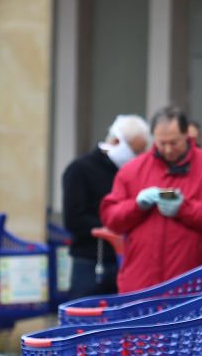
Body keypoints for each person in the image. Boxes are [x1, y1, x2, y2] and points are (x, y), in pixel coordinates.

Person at [102, 106, 202, 292]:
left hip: (194, 286)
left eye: (174, 143)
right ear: (153, 138)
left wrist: (185, 209)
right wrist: (136, 205)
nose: (168, 149)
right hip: (140, 286)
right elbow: (111, 217)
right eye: (161, 143)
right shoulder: (132, 171)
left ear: (187, 135)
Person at [60, 114, 149, 299]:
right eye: (135, 151)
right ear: (116, 141)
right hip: (90, 261)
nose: (137, 158)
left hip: (125, 261)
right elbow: (73, 219)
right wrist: (113, 224)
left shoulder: (131, 173)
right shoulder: (80, 169)